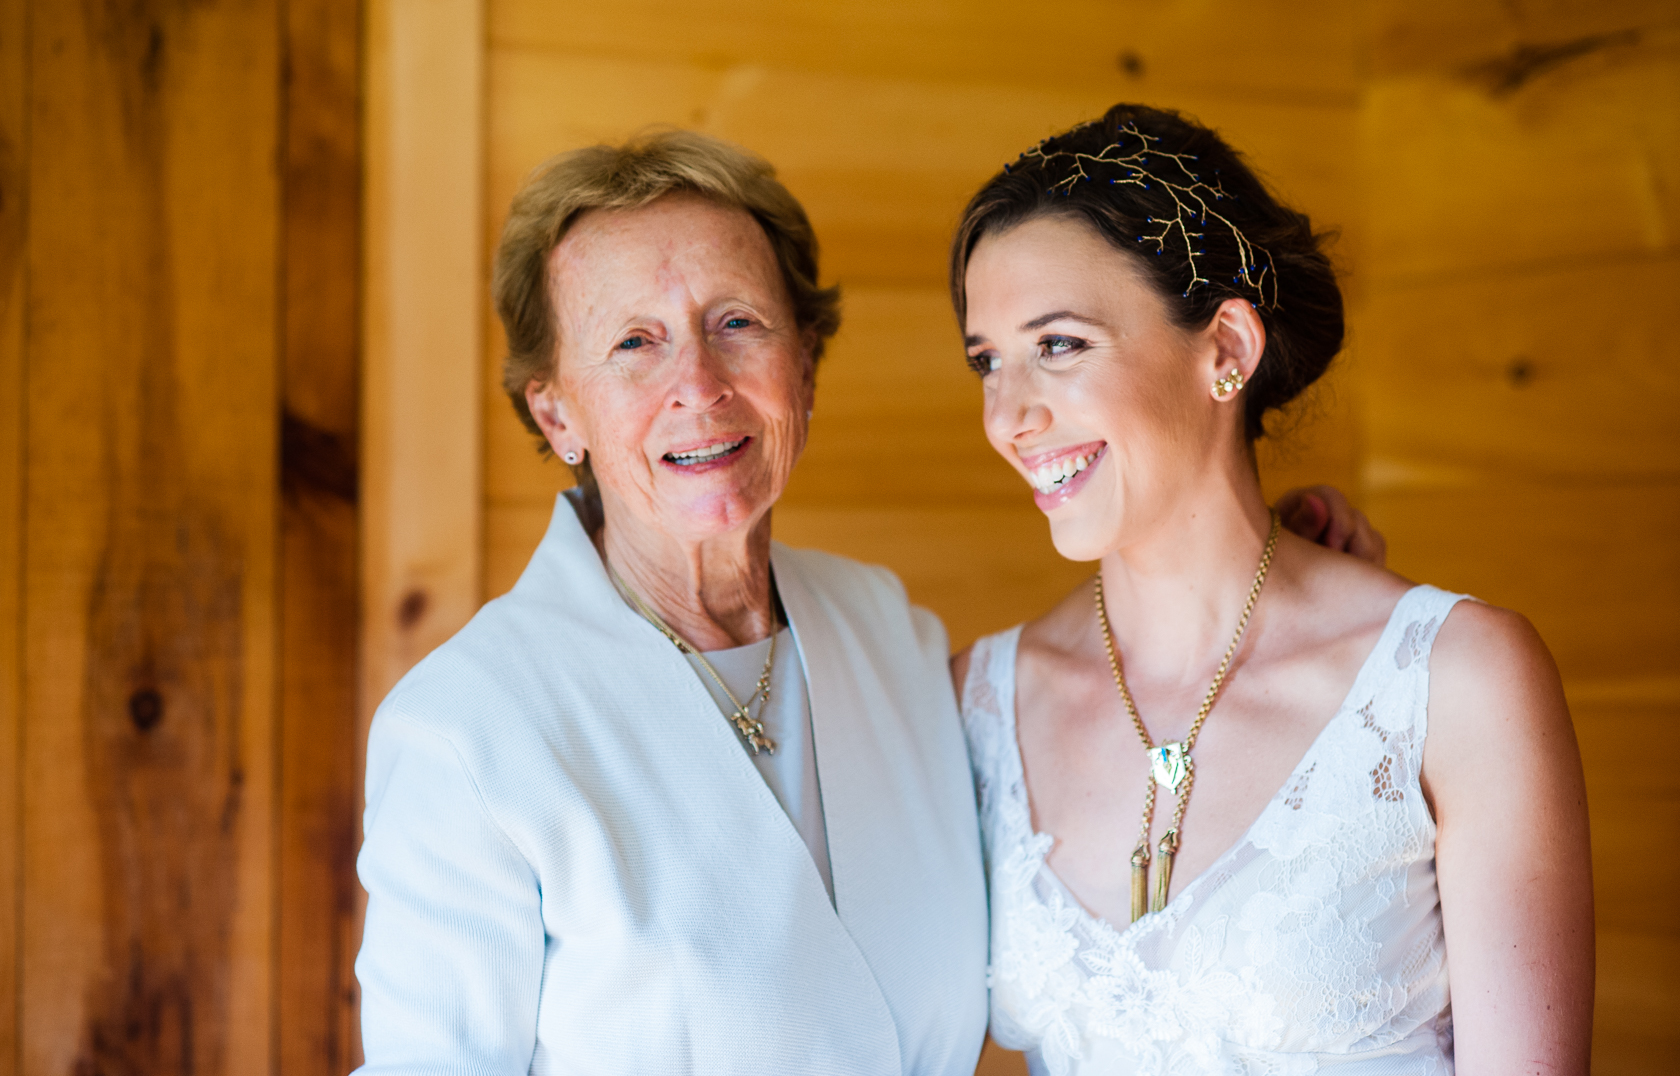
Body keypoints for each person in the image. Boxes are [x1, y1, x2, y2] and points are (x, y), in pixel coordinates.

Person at [352, 128, 1378, 1074]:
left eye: (738, 323)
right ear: (556, 409)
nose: (699, 384)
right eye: (634, 343)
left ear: (805, 362)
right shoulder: (467, 733)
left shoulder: (886, 632)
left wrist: (1267, 574)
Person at [949, 105, 1593, 1074]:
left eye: (1061, 344)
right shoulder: (976, 700)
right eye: (987, 360)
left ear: (1227, 350)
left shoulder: (1457, 682)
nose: (1011, 415)